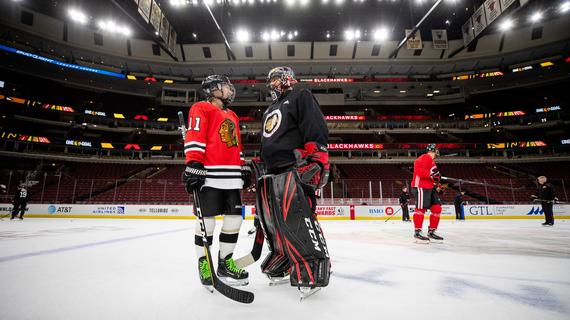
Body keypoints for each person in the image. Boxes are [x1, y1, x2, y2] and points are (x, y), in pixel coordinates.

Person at [256, 66, 331, 296]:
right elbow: (268, 140)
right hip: (271, 173)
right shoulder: (269, 109)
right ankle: (285, 258)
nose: (272, 85)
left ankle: (312, 265)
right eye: (270, 81)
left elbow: (314, 125)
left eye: (275, 79)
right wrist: (259, 163)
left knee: (298, 217)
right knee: (273, 223)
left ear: (288, 79)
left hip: (295, 168)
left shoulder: (301, 95)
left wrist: (318, 158)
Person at [182, 75, 251, 288]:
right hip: (210, 175)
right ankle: (204, 263)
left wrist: (242, 166)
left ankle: (225, 263)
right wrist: (193, 163)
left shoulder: (233, 115)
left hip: (232, 177)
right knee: (207, 222)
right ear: (213, 89)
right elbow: (195, 136)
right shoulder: (201, 108)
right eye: (226, 87)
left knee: (235, 220)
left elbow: (236, 145)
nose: (230, 91)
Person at [411, 144, 444, 243]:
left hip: (430, 187)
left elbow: (434, 177)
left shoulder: (432, 162)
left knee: (437, 208)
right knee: (421, 208)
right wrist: (432, 175)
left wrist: (437, 183)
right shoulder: (425, 157)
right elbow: (419, 171)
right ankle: (417, 231)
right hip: (421, 186)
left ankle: (432, 231)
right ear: (434, 150)